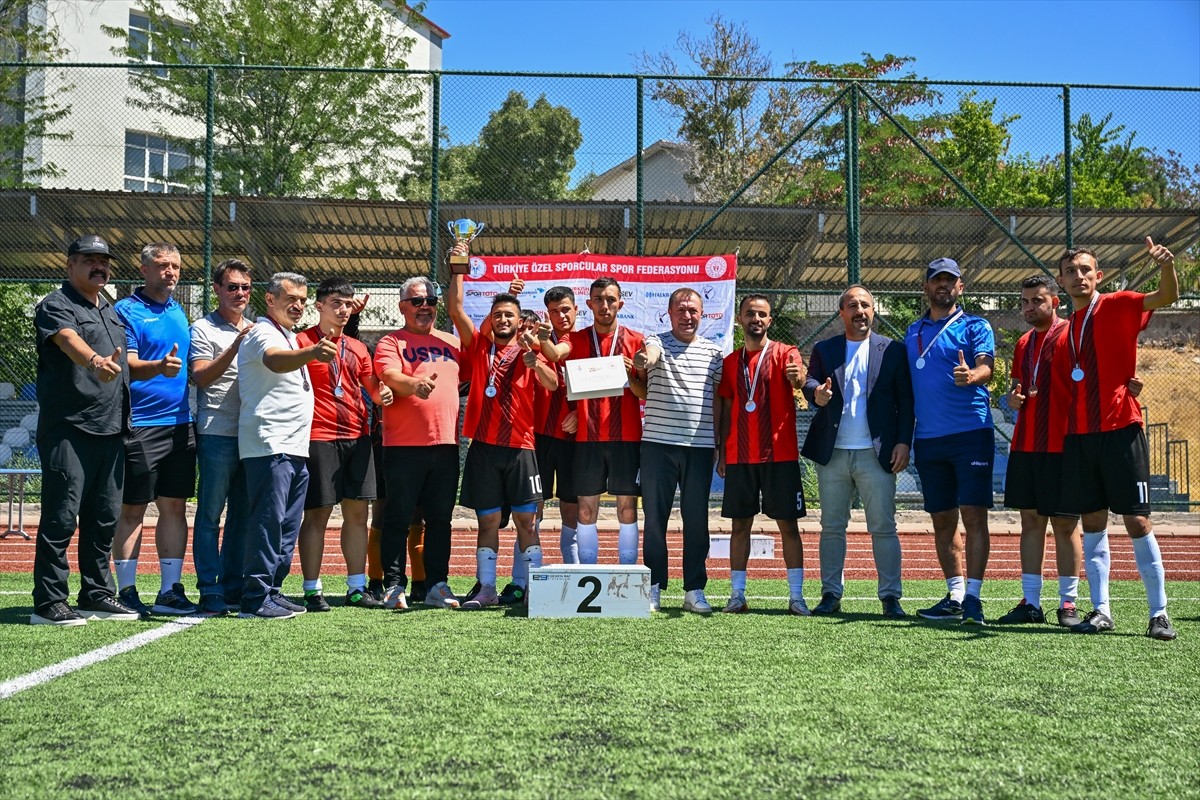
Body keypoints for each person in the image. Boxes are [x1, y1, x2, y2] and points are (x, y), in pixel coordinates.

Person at [1059, 239, 1179, 641]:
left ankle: (1159, 614)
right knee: (1092, 521)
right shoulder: (1066, 328)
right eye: (1070, 272)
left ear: (1099, 275)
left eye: (1084, 270)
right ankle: (1102, 610)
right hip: (1079, 436)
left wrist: (1166, 265)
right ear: (1062, 280)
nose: (1078, 277)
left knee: (1138, 520)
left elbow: (1168, 295)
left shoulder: (1117, 304)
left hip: (1121, 430)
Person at [30, 235, 139, 625]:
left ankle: (96, 593)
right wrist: (93, 361)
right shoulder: (56, 305)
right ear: (70, 265)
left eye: (104, 261)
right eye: (89, 260)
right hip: (69, 429)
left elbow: (121, 364)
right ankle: (49, 602)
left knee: (105, 517)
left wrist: (156, 368)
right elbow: (68, 340)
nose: (99, 267)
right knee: (61, 517)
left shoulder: (109, 309)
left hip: (111, 429)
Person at [446, 243, 559, 609]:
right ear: (491, 319)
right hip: (484, 447)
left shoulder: (533, 349)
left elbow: (552, 384)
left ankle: (534, 590)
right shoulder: (479, 347)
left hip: (522, 449)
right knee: (488, 522)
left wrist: (534, 362)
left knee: (527, 523)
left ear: (518, 320)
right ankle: (486, 589)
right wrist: (457, 269)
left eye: (510, 315)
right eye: (498, 315)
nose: (504, 320)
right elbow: (455, 308)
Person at [800, 285, 914, 619]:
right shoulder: (825, 348)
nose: (859, 310)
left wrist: (904, 442)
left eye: (865, 305)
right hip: (833, 453)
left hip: (875, 453)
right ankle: (831, 593)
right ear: (842, 313)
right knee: (832, 526)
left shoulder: (893, 350)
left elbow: (906, 401)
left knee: (884, 527)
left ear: (873, 311)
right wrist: (816, 394)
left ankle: (891, 597)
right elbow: (810, 382)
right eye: (852, 305)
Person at [237, 272, 335, 620]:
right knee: (268, 521)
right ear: (270, 300)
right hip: (270, 444)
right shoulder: (262, 332)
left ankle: (272, 591)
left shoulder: (289, 336)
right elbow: (274, 361)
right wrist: (311, 351)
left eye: (302, 301)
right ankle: (254, 597)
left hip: (293, 448)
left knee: (286, 525)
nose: (297, 306)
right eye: (290, 298)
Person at [904, 258, 995, 625]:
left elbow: (988, 365)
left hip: (970, 432)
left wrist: (973, 374)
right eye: (936, 280)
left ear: (961, 287)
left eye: (950, 280)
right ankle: (955, 594)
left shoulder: (976, 324)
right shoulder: (913, 331)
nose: (943, 285)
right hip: (928, 438)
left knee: (974, 517)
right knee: (942, 519)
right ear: (926, 287)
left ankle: (974, 598)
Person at [295, 278, 392, 611]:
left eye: (348, 304)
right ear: (319, 305)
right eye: (336, 302)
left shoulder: (358, 348)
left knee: (357, 514)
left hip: (357, 437)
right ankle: (311, 589)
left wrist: (385, 395)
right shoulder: (300, 342)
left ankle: (356, 587)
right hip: (318, 437)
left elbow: (374, 389)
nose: (343, 309)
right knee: (317, 514)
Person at [112, 242, 197, 618]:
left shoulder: (180, 311)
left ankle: (169, 591)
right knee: (132, 509)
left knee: (175, 507)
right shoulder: (125, 311)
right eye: (162, 265)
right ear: (143, 269)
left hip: (181, 425)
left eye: (176, 266)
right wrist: (158, 367)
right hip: (140, 425)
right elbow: (127, 363)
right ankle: (126, 590)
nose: (171, 272)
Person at [997, 274, 1083, 627]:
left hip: (1063, 446)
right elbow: (1018, 389)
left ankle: (1068, 603)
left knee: (1065, 525)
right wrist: (1013, 399)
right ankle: (1030, 602)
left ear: (1055, 302)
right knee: (1030, 522)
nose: (1030, 307)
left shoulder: (1073, 335)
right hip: (1026, 444)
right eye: (1025, 302)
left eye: (1038, 300)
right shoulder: (1022, 343)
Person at [374, 275, 464, 609]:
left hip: (446, 445)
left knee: (441, 519)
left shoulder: (452, 343)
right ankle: (394, 586)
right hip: (403, 447)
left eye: (430, 301)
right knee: (397, 517)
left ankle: (438, 585)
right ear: (402, 307)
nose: (424, 307)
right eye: (416, 301)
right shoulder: (390, 342)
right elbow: (389, 375)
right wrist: (414, 385)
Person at [717, 294, 809, 615]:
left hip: (779, 456)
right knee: (739, 526)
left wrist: (798, 378)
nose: (756, 319)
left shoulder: (785, 353)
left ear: (770, 321)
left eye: (762, 314)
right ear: (740, 319)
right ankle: (737, 595)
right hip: (739, 456)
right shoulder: (731, 363)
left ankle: (796, 597)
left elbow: (799, 375)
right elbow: (727, 407)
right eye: (750, 314)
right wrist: (720, 450)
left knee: (788, 526)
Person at [635, 287, 725, 613]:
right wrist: (645, 359)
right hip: (658, 447)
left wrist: (718, 444)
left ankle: (694, 590)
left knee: (697, 521)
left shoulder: (715, 354)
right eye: (682, 310)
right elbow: (650, 354)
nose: (688, 316)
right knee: (655, 520)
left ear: (701, 315)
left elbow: (718, 401)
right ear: (670, 314)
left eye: (693, 311)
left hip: (700, 449)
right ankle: (654, 587)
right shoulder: (656, 341)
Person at [556, 278, 646, 571]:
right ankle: (588, 573)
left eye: (610, 299)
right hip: (587, 439)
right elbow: (566, 382)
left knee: (627, 509)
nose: (604, 305)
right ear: (589, 304)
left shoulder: (636, 341)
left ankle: (628, 572)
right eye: (598, 299)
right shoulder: (578, 339)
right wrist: (573, 411)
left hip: (627, 437)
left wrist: (630, 375)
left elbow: (644, 393)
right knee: (585, 510)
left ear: (621, 303)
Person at [189, 259, 254, 615]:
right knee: (211, 515)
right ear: (216, 289)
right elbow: (200, 377)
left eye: (245, 287)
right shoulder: (202, 328)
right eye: (232, 287)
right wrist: (234, 348)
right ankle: (208, 588)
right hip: (216, 431)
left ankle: (233, 586)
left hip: (250, 434)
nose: (239, 293)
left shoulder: (258, 328)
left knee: (242, 516)